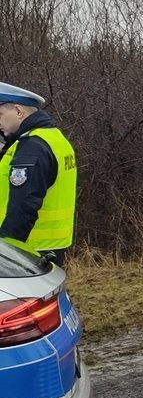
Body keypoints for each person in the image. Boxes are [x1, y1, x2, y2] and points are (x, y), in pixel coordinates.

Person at [0, 82, 78, 267]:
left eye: (0, 115)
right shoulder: (53, 137)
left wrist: (6, 254)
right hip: (49, 247)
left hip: (25, 250)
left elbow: (23, 207)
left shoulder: (32, 148)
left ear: (18, 111)